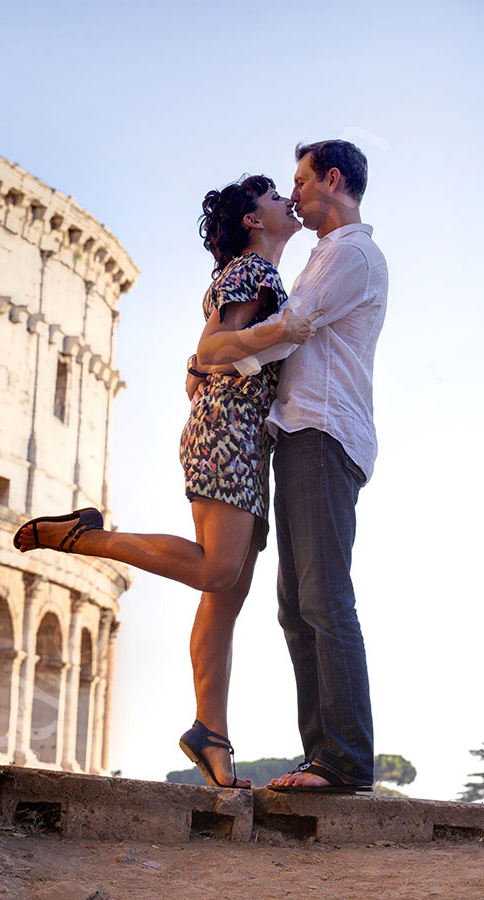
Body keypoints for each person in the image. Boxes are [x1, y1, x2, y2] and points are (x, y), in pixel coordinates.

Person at [13, 175, 319, 788]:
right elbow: (211, 351)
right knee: (215, 572)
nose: (285, 198)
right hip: (227, 431)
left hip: (243, 437)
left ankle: (212, 734)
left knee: (223, 600)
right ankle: (82, 537)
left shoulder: (259, 275)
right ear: (253, 220)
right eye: (270, 195)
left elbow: (200, 358)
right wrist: (280, 331)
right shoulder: (250, 273)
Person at [198, 141, 388, 793]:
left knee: (323, 598)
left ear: (333, 180)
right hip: (302, 434)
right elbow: (282, 338)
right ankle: (326, 755)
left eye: (302, 182)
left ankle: (343, 760)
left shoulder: (351, 253)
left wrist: (215, 356)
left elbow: (295, 325)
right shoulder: (324, 256)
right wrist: (223, 364)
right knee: (297, 604)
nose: (296, 193)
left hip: (322, 432)